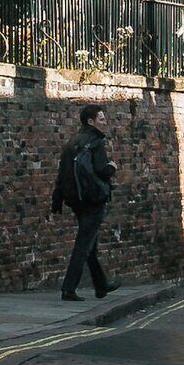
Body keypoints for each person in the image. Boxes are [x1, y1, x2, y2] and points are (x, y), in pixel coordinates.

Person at [53, 105, 116, 300]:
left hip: (77, 199)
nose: (105, 122)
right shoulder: (95, 142)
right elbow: (100, 170)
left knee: (90, 242)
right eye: (101, 119)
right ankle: (69, 288)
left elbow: (62, 171)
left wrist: (58, 197)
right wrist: (111, 167)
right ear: (91, 121)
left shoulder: (73, 142)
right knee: (84, 243)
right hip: (94, 199)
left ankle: (101, 285)